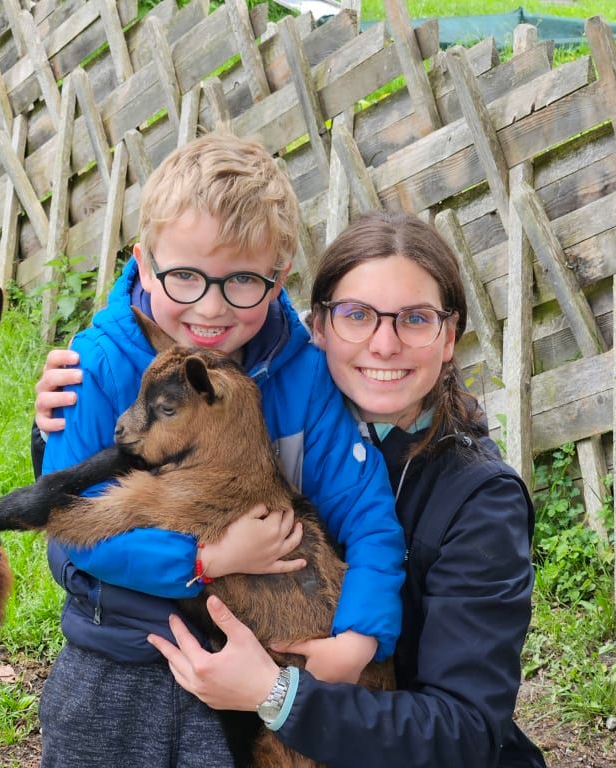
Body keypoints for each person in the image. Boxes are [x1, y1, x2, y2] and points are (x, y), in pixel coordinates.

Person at [34, 134, 406, 767]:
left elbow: (368, 515)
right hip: (121, 652)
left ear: (278, 279)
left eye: (242, 281)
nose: (210, 308)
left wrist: (361, 639)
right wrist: (204, 560)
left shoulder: (301, 375)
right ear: (143, 264)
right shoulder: (94, 367)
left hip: (257, 661)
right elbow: (73, 530)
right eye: (184, 276)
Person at [141, 211, 548, 767]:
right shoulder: (272, 428)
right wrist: (55, 428)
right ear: (319, 327)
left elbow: (466, 731)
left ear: (449, 337)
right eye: (357, 315)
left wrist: (277, 695)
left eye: (415, 319)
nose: (384, 344)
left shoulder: (481, 501)